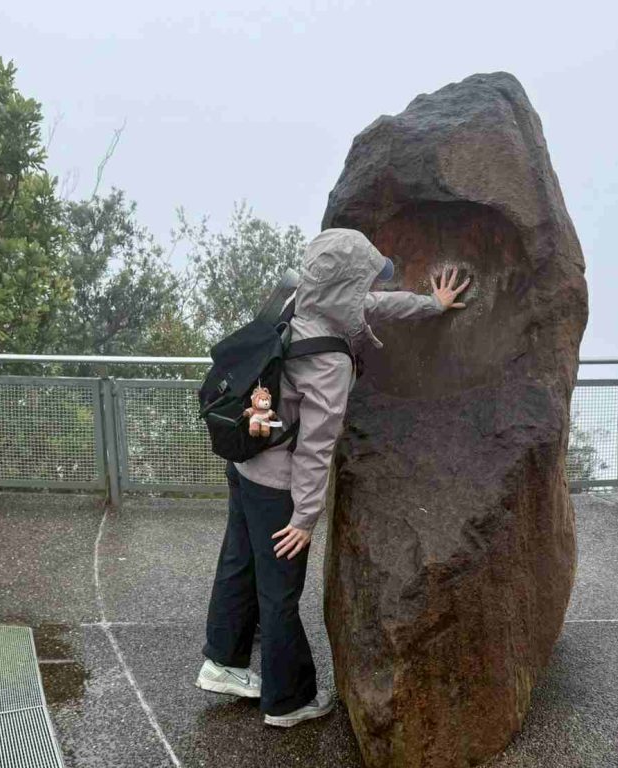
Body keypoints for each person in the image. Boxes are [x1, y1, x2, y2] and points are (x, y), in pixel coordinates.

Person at [195, 228, 470, 727]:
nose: (371, 288)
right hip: (277, 483)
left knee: (239, 563)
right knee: (280, 592)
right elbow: (316, 447)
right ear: (343, 284)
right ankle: (288, 700)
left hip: (245, 462)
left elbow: (372, 304)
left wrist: (430, 305)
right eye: (364, 278)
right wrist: (304, 516)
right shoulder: (329, 359)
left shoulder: (299, 298)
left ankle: (223, 662)